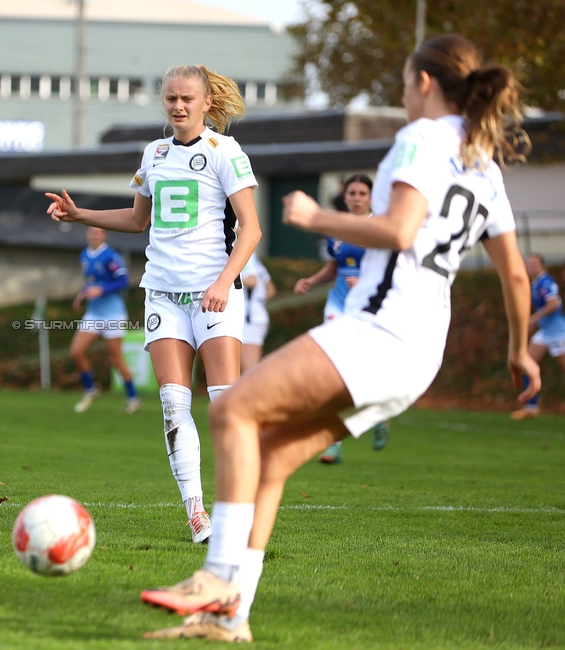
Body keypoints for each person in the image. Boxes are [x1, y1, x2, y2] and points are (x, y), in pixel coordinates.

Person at [139, 34, 539, 642]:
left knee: (235, 409)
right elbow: (513, 271)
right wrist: (517, 350)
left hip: (381, 331)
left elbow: (400, 229)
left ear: (424, 84)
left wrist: (314, 218)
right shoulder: (483, 162)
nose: (404, 97)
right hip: (421, 353)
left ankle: (216, 575)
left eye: (404, 85)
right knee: (269, 454)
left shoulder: (422, 138)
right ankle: (230, 617)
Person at [47, 64, 261, 544]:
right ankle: (196, 511)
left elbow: (252, 227)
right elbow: (138, 218)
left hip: (214, 293)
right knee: (171, 403)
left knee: (224, 406)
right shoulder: (155, 153)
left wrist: (226, 280)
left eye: (187, 98)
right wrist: (79, 213)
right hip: (163, 290)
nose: (178, 106)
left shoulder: (226, 151)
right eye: (170, 99)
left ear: (207, 103)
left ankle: (236, 505)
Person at [293, 174, 391, 462]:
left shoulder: (380, 229)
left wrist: (364, 282)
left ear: (370, 197)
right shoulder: (337, 229)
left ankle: (380, 414)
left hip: (369, 309)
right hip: (337, 304)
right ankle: (333, 442)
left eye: (362, 193)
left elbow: (390, 272)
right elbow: (334, 269)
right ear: (345, 197)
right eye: (352, 193)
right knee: (331, 370)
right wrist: (311, 280)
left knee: (366, 369)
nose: (357, 198)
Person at [70, 226, 141, 414]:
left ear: (104, 235)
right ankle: (90, 390)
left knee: (115, 357)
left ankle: (133, 397)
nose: (94, 235)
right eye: (92, 232)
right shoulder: (84, 255)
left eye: (98, 232)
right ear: (87, 233)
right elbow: (91, 282)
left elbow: (123, 281)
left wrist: (101, 290)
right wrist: (83, 294)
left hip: (113, 314)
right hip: (94, 313)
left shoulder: (111, 256)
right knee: (77, 351)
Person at [509, 253, 565, 419]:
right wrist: (535, 323)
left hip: (558, 333)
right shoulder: (535, 283)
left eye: (534, 264)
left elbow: (554, 304)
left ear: (542, 266)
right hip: (545, 333)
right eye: (529, 264)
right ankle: (531, 408)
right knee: (526, 363)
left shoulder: (546, 282)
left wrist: (534, 318)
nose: (531, 267)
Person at [239, 251, 275, 373]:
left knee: (249, 372)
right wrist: (258, 301)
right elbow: (271, 290)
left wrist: (224, 280)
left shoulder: (243, 252)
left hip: (250, 320)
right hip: (251, 317)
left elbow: (252, 280)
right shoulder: (252, 256)